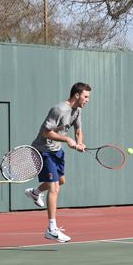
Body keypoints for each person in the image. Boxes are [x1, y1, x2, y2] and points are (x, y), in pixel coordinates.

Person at [25, 82, 91, 243]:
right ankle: (51, 229)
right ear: (77, 95)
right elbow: (46, 132)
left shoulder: (77, 110)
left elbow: (78, 130)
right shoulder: (59, 109)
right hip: (43, 150)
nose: (88, 100)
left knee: (60, 181)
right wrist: (67, 139)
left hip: (56, 150)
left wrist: (79, 142)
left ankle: (34, 192)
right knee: (54, 187)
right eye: (86, 96)